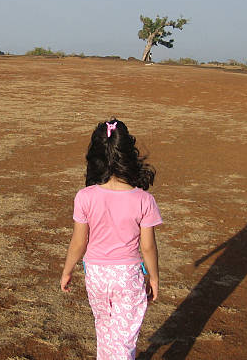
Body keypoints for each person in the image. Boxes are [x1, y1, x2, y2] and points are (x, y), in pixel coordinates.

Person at [60, 118, 162, 360]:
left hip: (95, 275)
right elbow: (147, 247)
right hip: (127, 277)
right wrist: (154, 277)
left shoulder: (85, 197)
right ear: (129, 153)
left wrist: (67, 270)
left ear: (95, 155)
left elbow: (79, 241)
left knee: (105, 332)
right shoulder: (143, 200)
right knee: (123, 341)